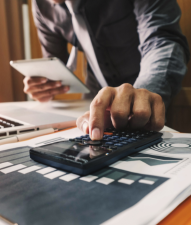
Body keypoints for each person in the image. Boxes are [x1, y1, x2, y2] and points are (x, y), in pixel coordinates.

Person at [23, 0, 189, 140]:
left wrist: (143, 94)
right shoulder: (40, 5)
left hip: (147, 89)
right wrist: (44, 84)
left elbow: (162, 41)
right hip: (94, 96)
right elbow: (54, 62)